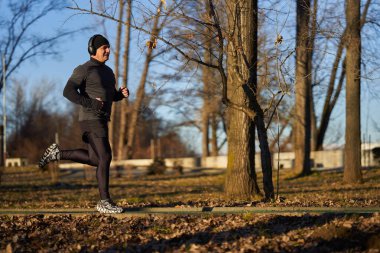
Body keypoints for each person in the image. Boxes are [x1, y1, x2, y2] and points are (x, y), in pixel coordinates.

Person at [39, 34, 129, 214]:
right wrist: (91, 103)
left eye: (108, 47)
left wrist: (120, 95)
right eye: (104, 47)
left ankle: (58, 153)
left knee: (95, 159)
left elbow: (108, 96)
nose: (108, 50)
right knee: (106, 157)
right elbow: (68, 92)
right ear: (93, 50)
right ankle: (104, 201)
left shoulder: (109, 72)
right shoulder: (84, 69)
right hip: (90, 118)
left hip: (102, 118)